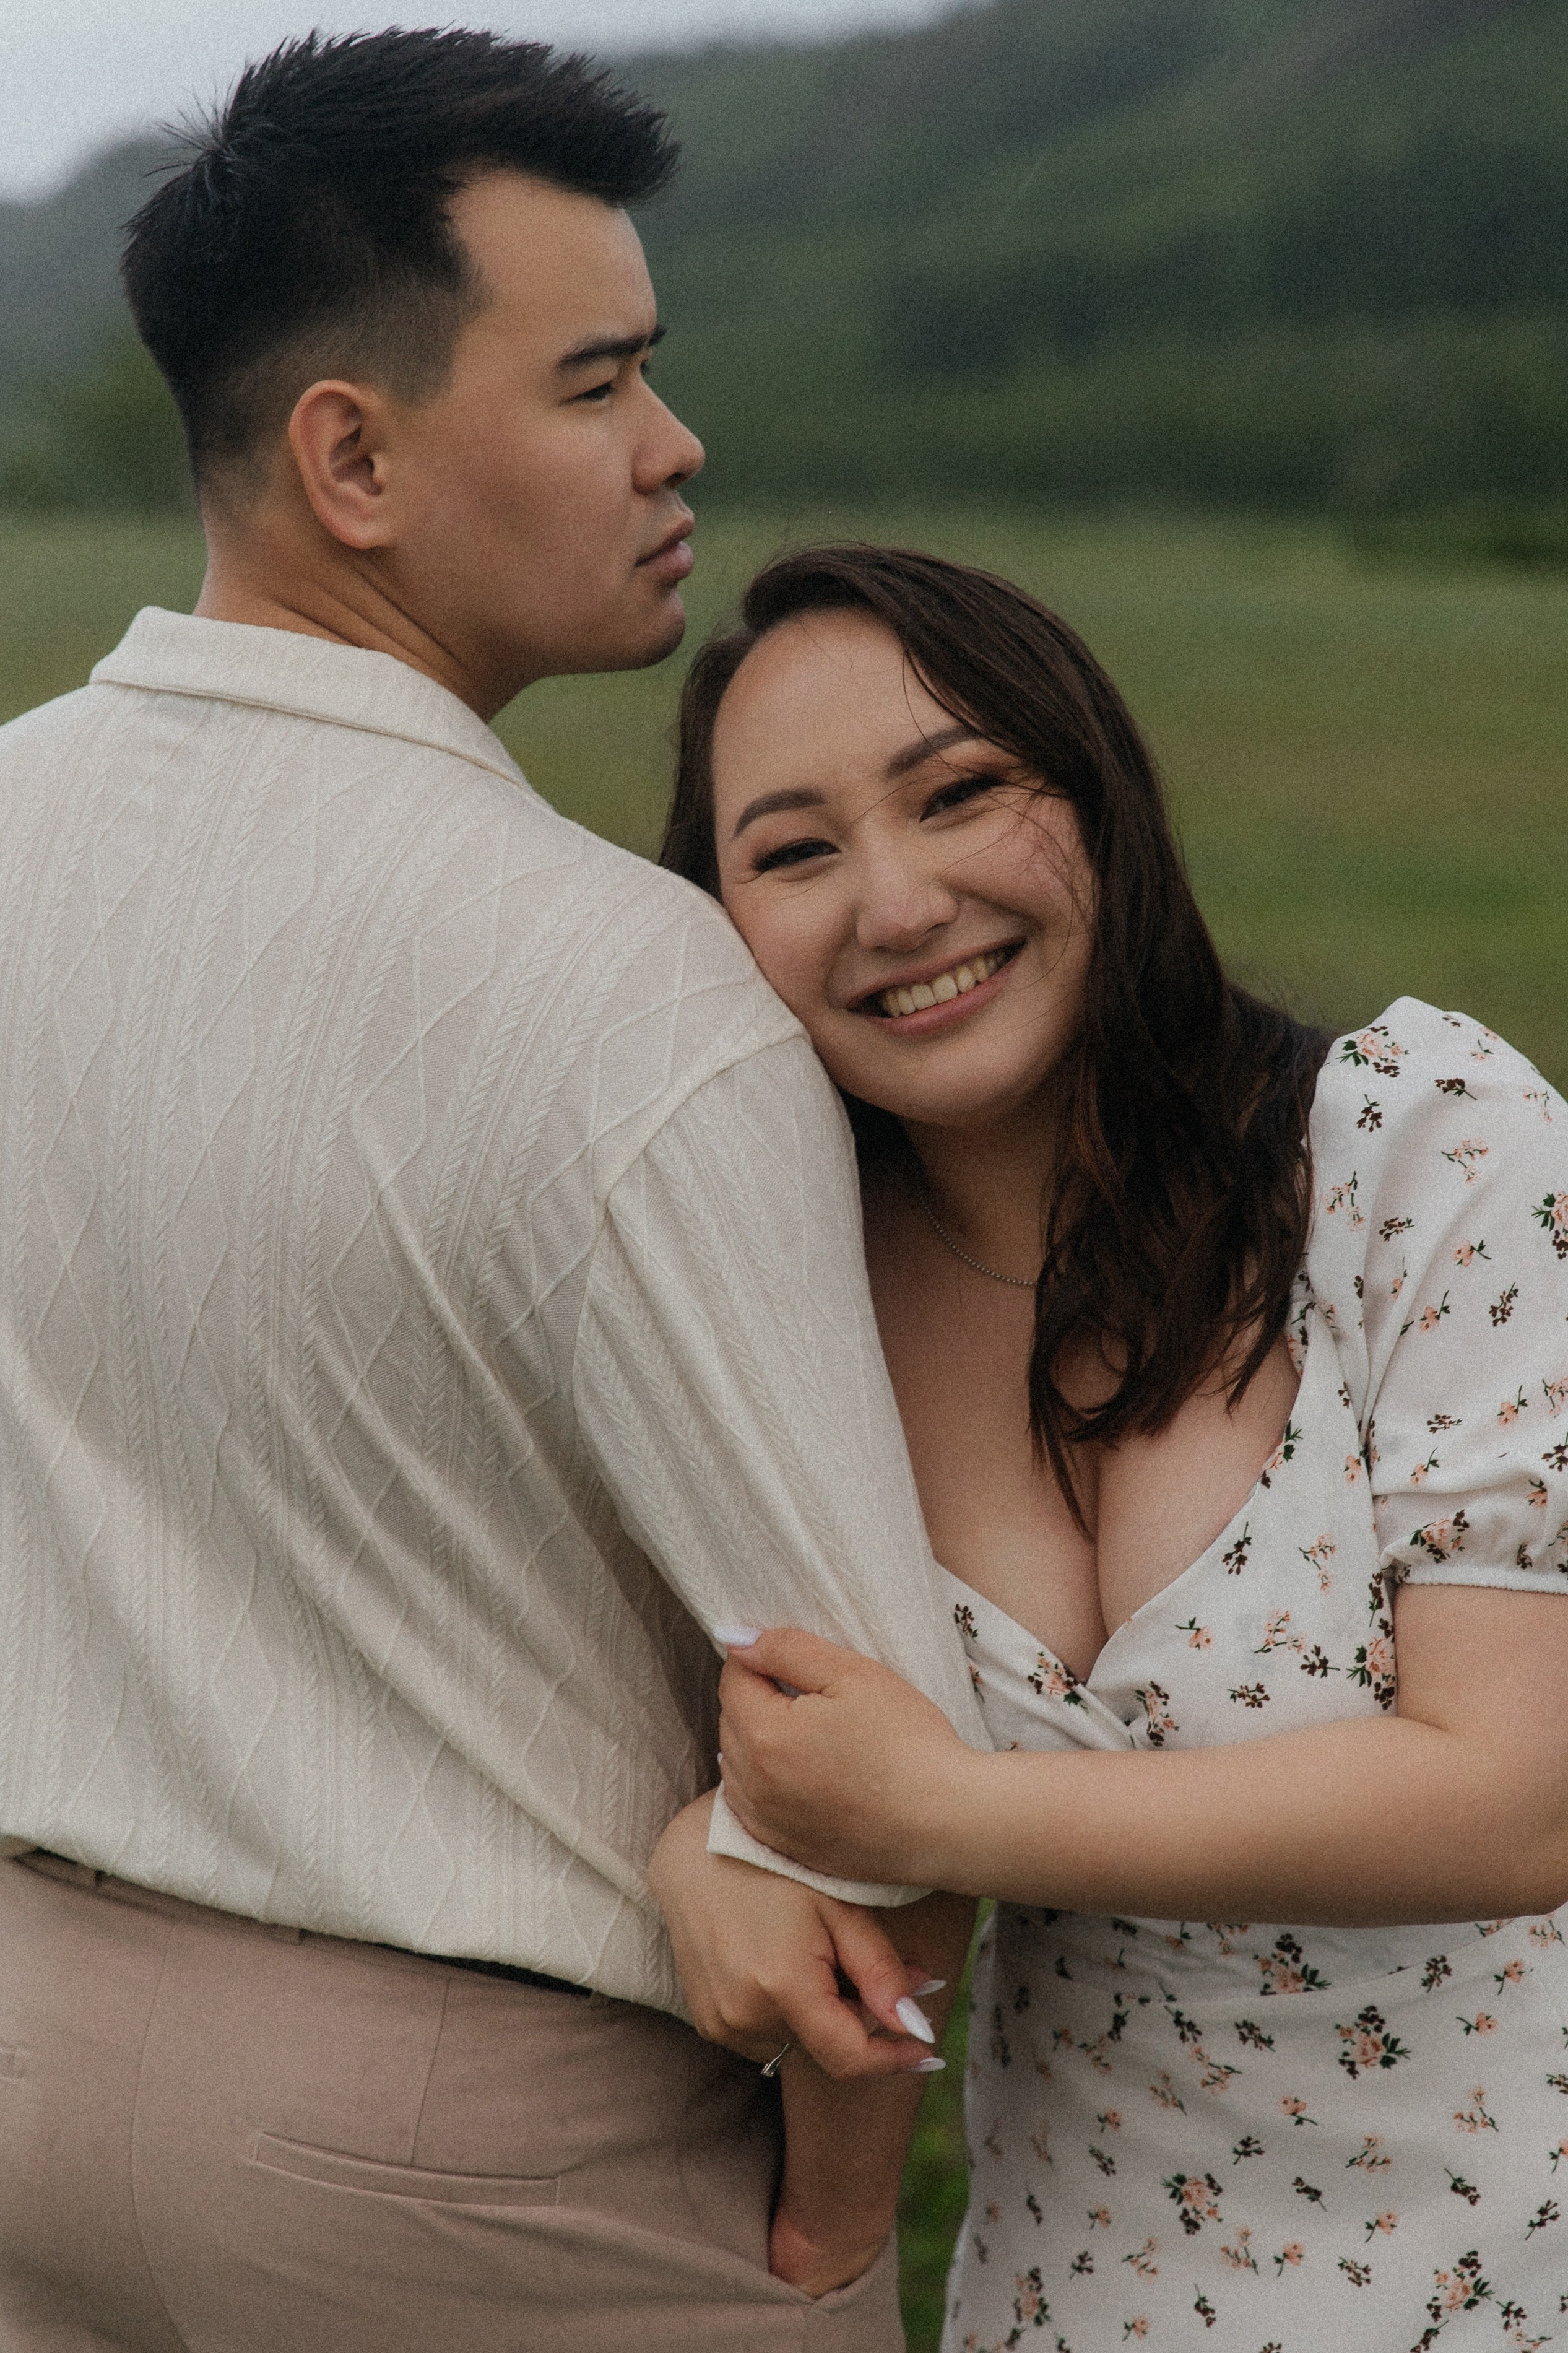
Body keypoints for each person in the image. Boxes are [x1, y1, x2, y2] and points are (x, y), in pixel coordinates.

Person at [0, 41, 986, 2351]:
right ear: (351, 454)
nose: (678, 447)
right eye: (600, 381)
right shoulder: (627, 985)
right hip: (481, 2170)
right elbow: (866, 1771)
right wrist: (842, 2226)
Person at [653, 542, 1568, 2349]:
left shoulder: (1422, 1152)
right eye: (796, 850)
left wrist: (942, 1810)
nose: (899, 903)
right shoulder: (774, 1299)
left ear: (1102, 797)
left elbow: (1519, 1790)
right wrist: (715, 1837)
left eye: (961, 791)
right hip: (1093, 2295)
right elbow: (798, 1792)